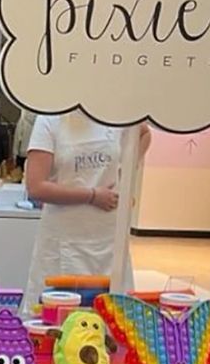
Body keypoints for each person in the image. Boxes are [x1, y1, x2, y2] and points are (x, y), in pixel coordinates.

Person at [20, 111, 151, 312]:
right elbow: (36, 187)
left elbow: (144, 133)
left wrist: (124, 179)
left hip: (108, 238)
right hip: (64, 238)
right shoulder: (50, 120)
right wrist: (91, 195)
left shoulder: (114, 114)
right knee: (58, 316)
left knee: (113, 315)